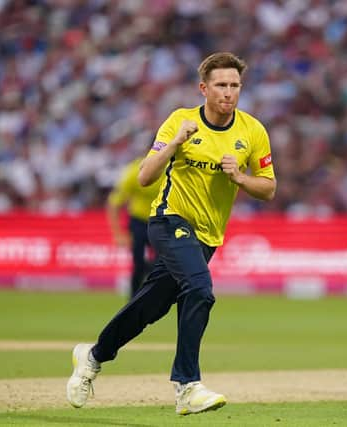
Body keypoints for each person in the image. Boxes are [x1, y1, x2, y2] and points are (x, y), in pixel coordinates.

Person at [67, 52, 276, 415]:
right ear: (203, 89)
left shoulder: (252, 131)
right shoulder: (180, 121)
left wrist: (240, 178)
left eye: (234, 85)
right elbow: (146, 176)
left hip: (207, 237)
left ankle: (93, 355)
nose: (228, 93)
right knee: (200, 290)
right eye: (221, 85)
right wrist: (176, 143)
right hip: (168, 220)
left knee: (149, 307)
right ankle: (187, 385)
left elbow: (269, 188)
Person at [107, 156, 164, 298]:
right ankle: (133, 299)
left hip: (161, 221)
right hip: (139, 222)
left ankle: (151, 298)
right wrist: (118, 233)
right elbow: (114, 203)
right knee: (138, 263)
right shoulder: (134, 171)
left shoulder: (173, 169)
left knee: (159, 265)